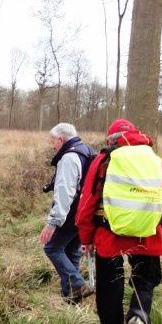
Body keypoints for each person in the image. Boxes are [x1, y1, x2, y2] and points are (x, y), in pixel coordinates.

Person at [75, 119, 162, 324]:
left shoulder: (103, 161)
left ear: (110, 140)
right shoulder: (155, 162)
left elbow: (86, 203)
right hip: (147, 235)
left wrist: (86, 237)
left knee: (109, 283)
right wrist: (156, 223)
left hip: (108, 235)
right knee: (145, 280)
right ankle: (137, 320)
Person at [38, 123, 96, 304]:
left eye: (53, 141)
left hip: (71, 214)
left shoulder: (69, 157)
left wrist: (53, 222)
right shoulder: (86, 151)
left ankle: (77, 284)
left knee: (52, 247)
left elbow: (65, 192)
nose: (52, 145)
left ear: (61, 139)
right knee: (72, 251)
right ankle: (71, 297)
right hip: (86, 213)